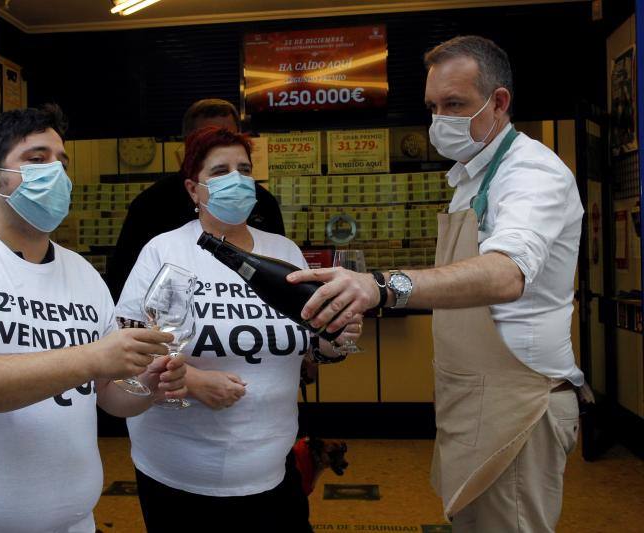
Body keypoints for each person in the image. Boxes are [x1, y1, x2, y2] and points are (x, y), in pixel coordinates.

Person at [288, 36, 585, 532]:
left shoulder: (531, 173)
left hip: (518, 409)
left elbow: (506, 272)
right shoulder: (471, 176)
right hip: (470, 400)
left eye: (455, 104)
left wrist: (382, 286)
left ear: (499, 102)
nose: (439, 120)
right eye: (432, 107)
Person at [0, 105, 186, 533]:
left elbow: (110, 397)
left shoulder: (82, 274)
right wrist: (98, 357)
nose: (57, 173)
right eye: (37, 159)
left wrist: (148, 383)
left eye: (62, 162)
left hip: (73, 522)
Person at [114, 126, 361, 532]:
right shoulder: (164, 250)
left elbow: (311, 347)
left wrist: (337, 340)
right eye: (221, 170)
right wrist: (191, 380)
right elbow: (128, 343)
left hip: (272, 472)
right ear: (194, 190)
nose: (237, 180)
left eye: (244, 169)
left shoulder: (283, 251)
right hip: (178, 477)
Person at [107, 98, 284, 302]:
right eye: (208, 134)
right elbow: (124, 277)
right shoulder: (152, 205)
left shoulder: (264, 202)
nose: (220, 141)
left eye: (228, 134)